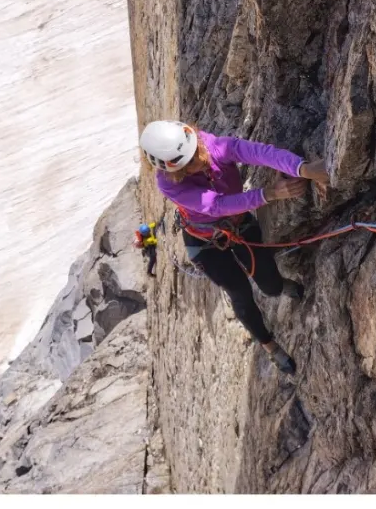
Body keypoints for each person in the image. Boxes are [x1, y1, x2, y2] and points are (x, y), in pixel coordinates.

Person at [139, 120, 330, 376]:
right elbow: (215, 206)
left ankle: (279, 286)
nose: (200, 161)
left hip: (238, 225)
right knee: (239, 292)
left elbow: (260, 153)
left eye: (196, 152)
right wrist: (269, 194)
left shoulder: (214, 146)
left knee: (270, 286)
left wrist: (303, 168)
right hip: (204, 243)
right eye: (189, 163)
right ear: (175, 171)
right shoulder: (170, 184)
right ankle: (270, 346)